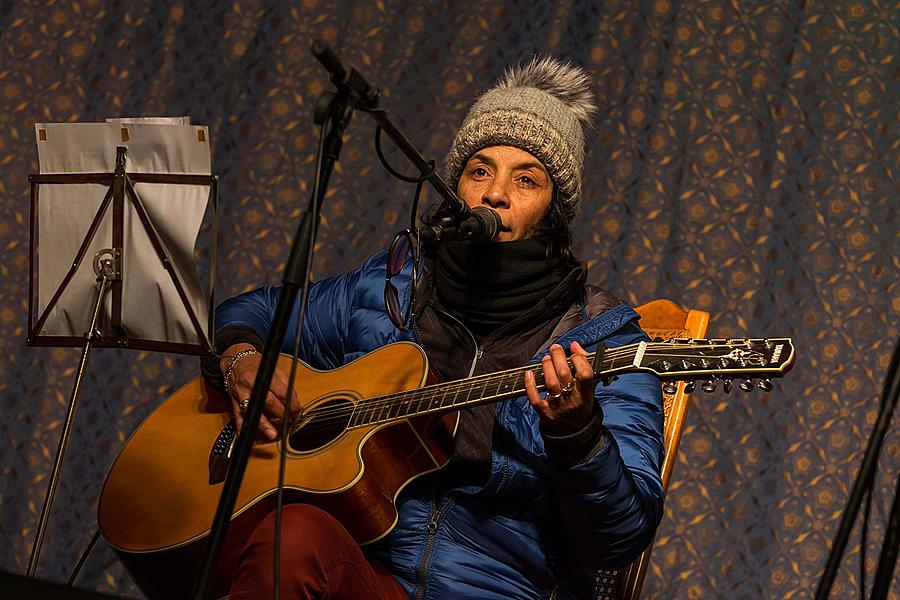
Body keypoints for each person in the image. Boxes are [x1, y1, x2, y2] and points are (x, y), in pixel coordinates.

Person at [201, 56, 665, 600]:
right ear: (456, 189)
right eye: (479, 170)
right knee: (292, 536)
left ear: (554, 210)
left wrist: (577, 433)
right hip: (365, 575)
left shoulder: (604, 337)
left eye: (526, 179)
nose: (495, 194)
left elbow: (620, 537)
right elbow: (252, 311)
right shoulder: (391, 287)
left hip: (493, 588)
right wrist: (242, 360)